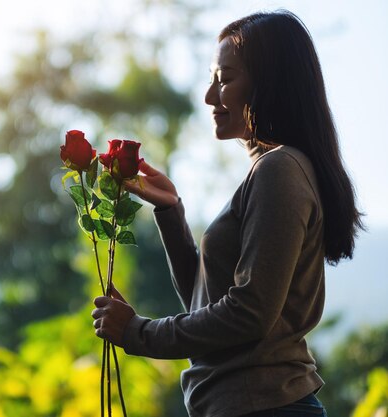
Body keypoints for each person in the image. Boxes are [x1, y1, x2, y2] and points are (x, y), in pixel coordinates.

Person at [91, 10, 365, 417]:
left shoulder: (280, 169)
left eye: (225, 79)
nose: (209, 97)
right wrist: (170, 212)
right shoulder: (271, 170)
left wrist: (139, 332)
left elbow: (249, 314)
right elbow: (207, 304)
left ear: (268, 83)